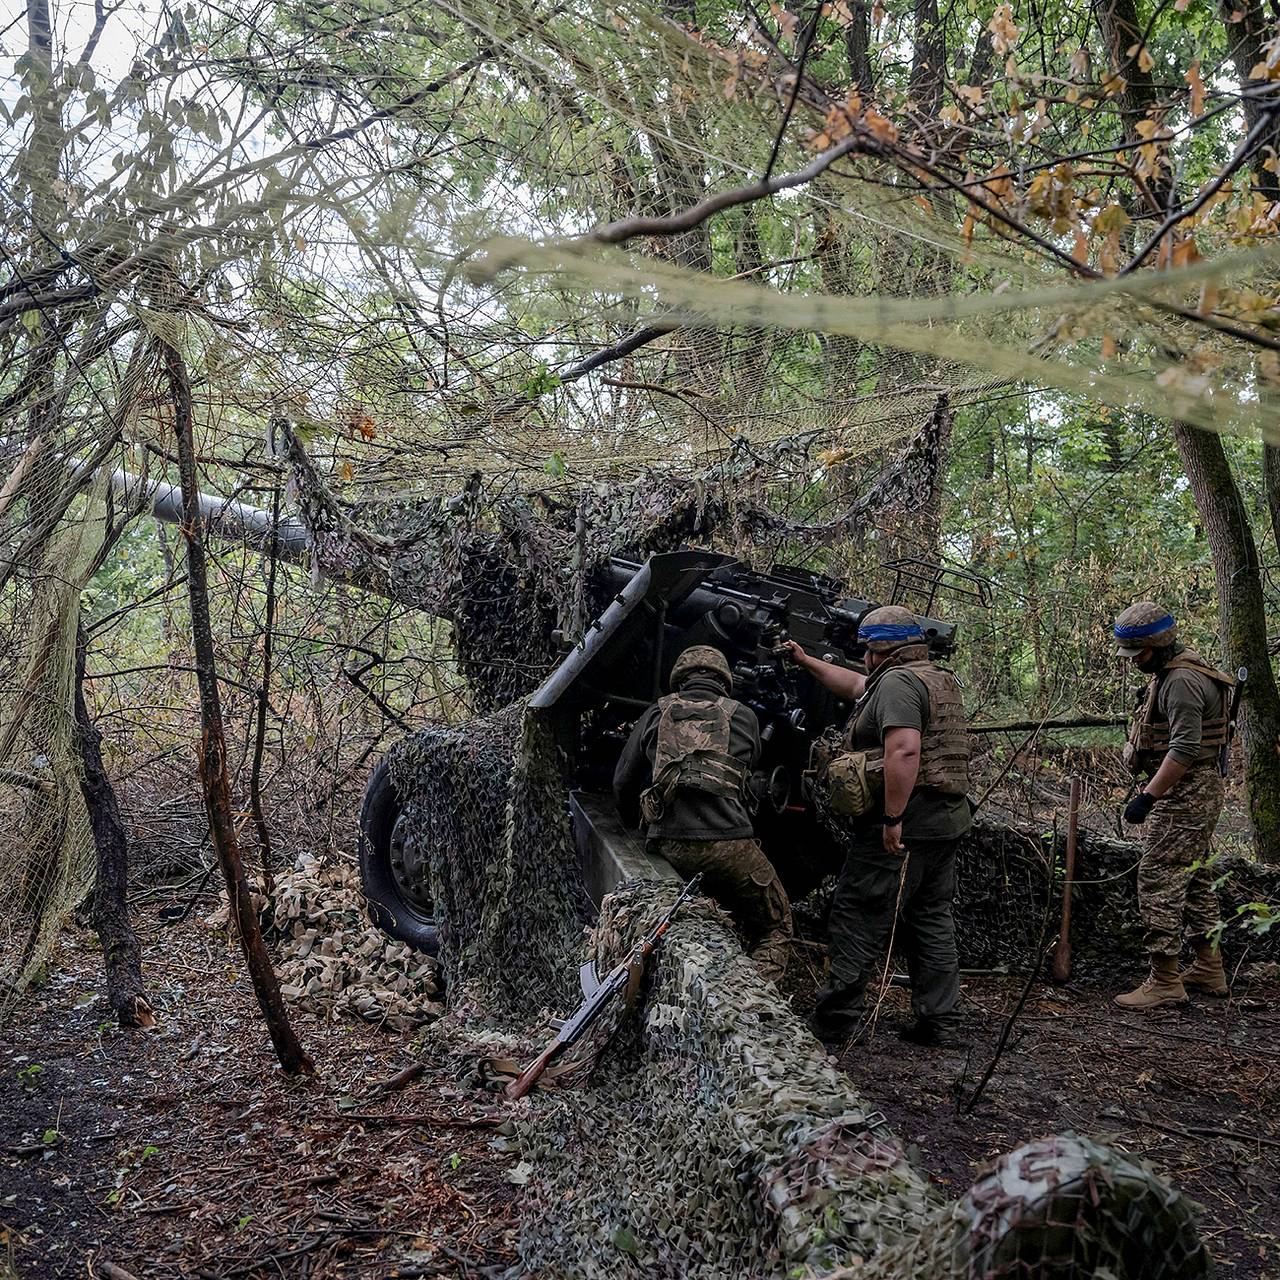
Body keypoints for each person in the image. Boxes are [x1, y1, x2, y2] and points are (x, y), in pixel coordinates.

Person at [785, 606, 972, 1047]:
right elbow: (854, 686)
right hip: (946, 820)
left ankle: (835, 1021)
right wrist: (805, 660)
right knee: (930, 918)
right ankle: (940, 1021)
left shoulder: (898, 684)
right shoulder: (933, 678)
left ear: (879, 649)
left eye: (867, 649)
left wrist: (891, 819)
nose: (863, 658)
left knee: (857, 913)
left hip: (907, 823)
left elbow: (904, 751)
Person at [612, 644, 793, 986]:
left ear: (680, 679)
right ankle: (748, 998)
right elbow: (748, 773)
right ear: (724, 681)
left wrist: (636, 828)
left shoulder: (656, 712)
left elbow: (622, 781)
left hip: (670, 845)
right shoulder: (743, 715)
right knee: (776, 924)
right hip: (730, 846)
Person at [1113, 602, 1235, 1009]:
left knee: (1158, 877)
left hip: (1185, 791)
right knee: (1197, 876)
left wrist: (1147, 798)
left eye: (1139, 655)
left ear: (1158, 645)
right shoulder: (1177, 670)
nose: (1134, 664)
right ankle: (1208, 966)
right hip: (1195, 790)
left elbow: (1183, 750)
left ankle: (1165, 978)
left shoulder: (1182, 680)